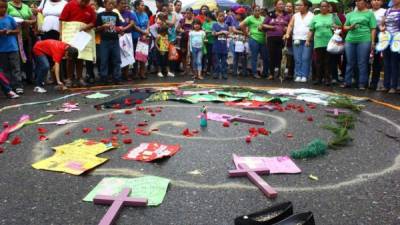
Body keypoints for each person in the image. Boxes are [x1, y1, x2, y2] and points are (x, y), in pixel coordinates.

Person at [59, 0, 96, 87]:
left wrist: (87, 26)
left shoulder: (90, 9)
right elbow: (62, 20)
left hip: (83, 36)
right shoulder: (70, 5)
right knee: (70, 57)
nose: (84, 4)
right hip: (69, 35)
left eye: (86, 2)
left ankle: (80, 78)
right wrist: (61, 34)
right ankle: (69, 79)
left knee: (81, 57)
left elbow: (93, 22)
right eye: (83, 1)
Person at [341, 0, 376, 90]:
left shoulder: (370, 14)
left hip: (364, 39)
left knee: (362, 62)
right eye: (356, 1)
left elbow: (373, 28)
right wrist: (350, 27)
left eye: (359, 1)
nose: (357, 3)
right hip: (350, 39)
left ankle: (362, 83)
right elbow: (344, 27)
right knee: (350, 62)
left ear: (365, 3)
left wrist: (372, 41)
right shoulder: (351, 14)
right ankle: (347, 81)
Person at [307, 0, 341, 86]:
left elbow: (340, 26)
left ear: (328, 7)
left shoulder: (333, 16)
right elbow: (311, 30)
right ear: (319, 7)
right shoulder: (315, 17)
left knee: (328, 61)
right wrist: (308, 40)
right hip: (318, 42)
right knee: (318, 62)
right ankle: (318, 78)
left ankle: (327, 79)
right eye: (322, 6)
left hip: (330, 42)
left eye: (326, 6)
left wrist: (336, 26)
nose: (324, 8)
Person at [7, 0, 36, 88]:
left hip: (26, 36)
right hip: (13, 37)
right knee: (16, 59)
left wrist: (27, 22)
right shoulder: (7, 5)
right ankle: (17, 80)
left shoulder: (26, 6)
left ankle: (29, 77)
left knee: (28, 57)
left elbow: (34, 19)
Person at [284, 0, 314, 83]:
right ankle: (298, 75)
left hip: (307, 40)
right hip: (296, 39)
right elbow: (290, 25)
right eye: (297, 5)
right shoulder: (295, 15)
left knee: (305, 58)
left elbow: (312, 29)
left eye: (300, 5)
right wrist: (287, 34)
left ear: (306, 6)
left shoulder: (312, 16)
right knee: (297, 59)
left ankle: (304, 75)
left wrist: (308, 39)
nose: (298, 7)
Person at [96, 0, 124, 85]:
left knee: (117, 60)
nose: (111, 6)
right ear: (104, 4)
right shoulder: (100, 15)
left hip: (115, 40)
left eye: (113, 4)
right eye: (109, 4)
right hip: (104, 40)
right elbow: (96, 29)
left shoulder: (115, 15)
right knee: (104, 60)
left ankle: (117, 78)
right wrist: (103, 26)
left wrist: (120, 30)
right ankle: (103, 78)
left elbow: (119, 27)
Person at [262, 0, 290, 80]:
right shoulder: (271, 14)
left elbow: (290, 25)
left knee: (281, 56)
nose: (282, 5)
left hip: (282, 38)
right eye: (280, 4)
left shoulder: (286, 15)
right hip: (271, 37)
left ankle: (280, 74)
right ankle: (271, 74)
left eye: (282, 4)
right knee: (272, 56)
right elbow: (263, 25)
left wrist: (286, 28)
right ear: (275, 6)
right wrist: (272, 27)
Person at [0, 0, 23, 95]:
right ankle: (8, 87)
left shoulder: (10, 18)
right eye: (1, 7)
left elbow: (17, 30)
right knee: (5, 69)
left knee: (15, 67)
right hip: (1, 49)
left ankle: (17, 86)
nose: (3, 9)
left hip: (13, 47)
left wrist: (10, 32)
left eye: (4, 7)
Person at [240, 5, 268, 79]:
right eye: (256, 10)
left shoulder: (263, 18)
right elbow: (241, 25)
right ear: (253, 11)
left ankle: (265, 73)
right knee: (254, 57)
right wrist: (246, 33)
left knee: (265, 57)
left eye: (259, 10)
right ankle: (254, 73)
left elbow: (267, 27)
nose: (257, 12)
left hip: (263, 40)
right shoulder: (250, 18)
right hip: (253, 39)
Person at [379, 0, 400, 93]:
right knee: (386, 63)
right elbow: (381, 23)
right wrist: (382, 28)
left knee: (394, 63)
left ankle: (393, 86)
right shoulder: (387, 11)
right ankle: (385, 85)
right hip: (387, 40)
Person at [369, 0, 386, 90]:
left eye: (378, 0)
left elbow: (385, 25)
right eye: (374, 0)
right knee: (366, 61)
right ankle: (363, 82)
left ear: (382, 2)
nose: (376, 2)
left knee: (377, 61)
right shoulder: (367, 11)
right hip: (367, 37)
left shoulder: (384, 11)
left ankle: (374, 83)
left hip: (379, 38)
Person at [117, 0, 135, 81]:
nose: (124, 5)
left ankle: (126, 74)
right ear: (118, 4)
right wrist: (119, 30)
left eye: (125, 3)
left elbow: (132, 23)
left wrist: (124, 28)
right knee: (118, 56)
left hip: (127, 36)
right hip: (118, 36)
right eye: (122, 3)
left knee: (128, 54)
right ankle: (119, 74)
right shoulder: (115, 12)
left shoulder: (129, 13)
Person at [132, 0, 149, 79]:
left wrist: (147, 32)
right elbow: (134, 26)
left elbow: (148, 24)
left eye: (143, 5)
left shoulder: (145, 14)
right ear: (137, 6)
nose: (143, 6)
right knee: (136, 56)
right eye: (142, 5)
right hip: (136, 37)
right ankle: (134, 73)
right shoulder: (133, 14)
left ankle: (142, 73)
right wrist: (144, 32)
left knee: (143, 56)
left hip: (144, 38)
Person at [230, 7, 248, 77]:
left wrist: (241, 32)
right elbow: (234, 30)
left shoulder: (246, 21)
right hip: (236, 41)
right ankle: (234, 72)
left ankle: (244, 72)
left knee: (244, 57)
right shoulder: (234, 21)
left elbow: (247, 30)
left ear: (242, 15)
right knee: (236, 57)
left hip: (244, 41)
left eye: (238, 14)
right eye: (236, 14)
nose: (236, 15)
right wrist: (243, 32)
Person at [177, 7, 194, 74]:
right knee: (183, 54)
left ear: (192, 13)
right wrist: (181, 30)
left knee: (192, 55)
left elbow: (199, 28)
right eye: (186, 13)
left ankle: (192, 70)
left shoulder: (195, 20)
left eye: (189, 13)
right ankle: (185, 70)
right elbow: (177, 29)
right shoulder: (182, 20)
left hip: (192, 39)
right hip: (183, 40)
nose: (188, 15)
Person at [212, 11, 229, 79]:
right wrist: (221, 32)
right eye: (220, 16)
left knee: (224, 61)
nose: (222, 17)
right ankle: (216, 72)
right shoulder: (215, 24)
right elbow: (213, 34)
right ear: (217, 17)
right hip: (217, 45)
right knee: (216, 60)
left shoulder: (226, 25)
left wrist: (228, 34)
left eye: (223, 16)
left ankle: (224, 73)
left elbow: (228, 34)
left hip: (224, 45)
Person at [201, 11, 215, 76]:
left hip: (212, 41)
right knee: (204, 56)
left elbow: (215, 31)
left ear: (209, 16)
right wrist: (206, 31)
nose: (204, 18)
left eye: (205, 16)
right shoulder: (204, 23)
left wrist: (208, 31)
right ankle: (203, 69)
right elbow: (202, 30)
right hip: (204, 41)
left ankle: (209, 69)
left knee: (210, 56)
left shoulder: (214, 23)